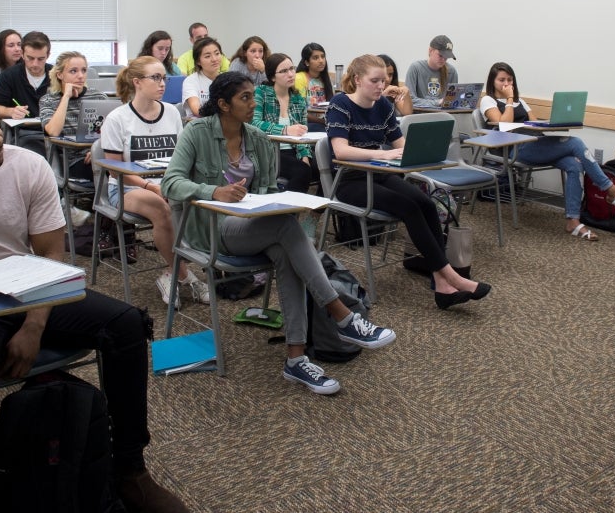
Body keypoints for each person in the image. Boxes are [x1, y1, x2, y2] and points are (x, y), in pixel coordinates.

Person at [0, 82, 187, 513]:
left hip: (26, 288)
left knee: (127, 325)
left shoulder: (27, 165)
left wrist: (34, 325)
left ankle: (129, 469)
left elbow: (50, 253)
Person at [163, 72, 397, 394]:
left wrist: (289, 203)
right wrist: (214, 191)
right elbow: (170, 183)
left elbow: (269, 191)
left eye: (253, 96)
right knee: (287, 229)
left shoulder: (258, 137)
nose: (253, 102)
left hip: (253, 227)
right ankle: (340, 314)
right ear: (223, 104)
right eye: (245, 98)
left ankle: (296, 359)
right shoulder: (197, 132)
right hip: (211, 228)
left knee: (288, 250)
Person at [327, 54, 491, 310]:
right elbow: (341, 151)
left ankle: (442, 283)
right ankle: (451, 277)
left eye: (384, 80)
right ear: (357, 80)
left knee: (425, 202)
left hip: (380, 173)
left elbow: (399, 144)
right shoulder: (340, 104)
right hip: (350, 180)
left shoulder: (382, 106)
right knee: (409, 207)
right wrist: (382, 153)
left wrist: (415, 151)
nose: (381, 86)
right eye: (374, 81)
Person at [479, 62, 615, 241]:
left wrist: (550, 123)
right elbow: (504, 127)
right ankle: (611, 190)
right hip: (515, 150)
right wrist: (509, 100)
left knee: (573, 164)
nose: (507, 84)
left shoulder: (521, 101)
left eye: (510, 80)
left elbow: (534, 125)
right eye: (502, 80)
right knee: (576, 143)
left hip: (535, 144)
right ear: (492, 82)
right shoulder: (488, 100)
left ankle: (573, 221)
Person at [100, 56, 207, 309]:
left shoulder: (171, 112)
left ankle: (171, 275)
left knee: (200, 204)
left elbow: (183, 158)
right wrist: (151, 186)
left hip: (166, 184)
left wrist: (175, 184)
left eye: (164, 78)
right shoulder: (117, 119)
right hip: (128, 188)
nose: (162, 84)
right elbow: (115, 171)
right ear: (137, 82)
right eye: (156, 78)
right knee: (162, 208)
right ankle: (184, 275)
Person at [39, 51, 107, 181]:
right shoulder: (48, 100)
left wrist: (98, 152)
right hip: (72, 161)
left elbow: (112, 132)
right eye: (73, 71)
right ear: (60, 75)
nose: (81, 76)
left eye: (84, 70)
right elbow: (53, 131)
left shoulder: (99, 97)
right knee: (106, 171)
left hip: (100, 155)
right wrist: (66, 97)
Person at [251, 52, 313, 193]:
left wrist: (305, 156)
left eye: (292, 69)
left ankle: (317, 213)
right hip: (269, 152)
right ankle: (286, 213)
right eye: (284, 71)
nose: (291, 74)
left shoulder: (298, 99)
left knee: (326, 167)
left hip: (294, 150)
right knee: (302, 171)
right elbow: (254, 124)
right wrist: (285, 130)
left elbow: (303, 132)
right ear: (273, 76)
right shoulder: (261, 93)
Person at [405, 35, 458, 109]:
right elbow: (410, 100)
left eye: (446, 56)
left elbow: (452, 100)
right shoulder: (415, 68)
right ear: (430, 51)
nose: (443, 59)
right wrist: (437, 102)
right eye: (440, 55)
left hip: (443, 116)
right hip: (419, 116)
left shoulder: (452, 71)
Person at [180, 37, 224, 118]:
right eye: (207, 56)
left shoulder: (227, 80)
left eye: (217, 53)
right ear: (198, 61)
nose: (214, 59)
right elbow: (198, 111)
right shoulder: (191, 81)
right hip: (199, 126)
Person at [294, 42, 333, 129]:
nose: (321, 61)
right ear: (307, 62)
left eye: (323, 57)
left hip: (324, 121)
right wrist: (325, 122)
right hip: (306, 123)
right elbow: (300, 111)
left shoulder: (325, 79)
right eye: (315, 58)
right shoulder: (299, 78)